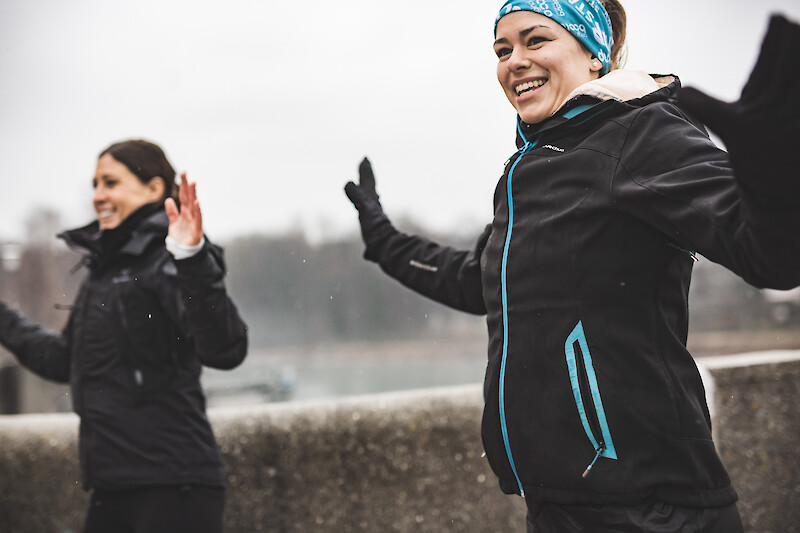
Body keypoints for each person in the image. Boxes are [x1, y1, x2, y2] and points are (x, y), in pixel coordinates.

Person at [344, 1, 800, 531]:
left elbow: (769, 254)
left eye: (536, 41)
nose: (514, 60)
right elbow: (476, 280)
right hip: (556, 505)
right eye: (502, 49)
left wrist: (776, 174)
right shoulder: (529, 172)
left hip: (650, 508)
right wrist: (382, 238)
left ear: (594, 54)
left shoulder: (642, 134)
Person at [0, 140, 248, 533]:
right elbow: (63, 360)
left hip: (173, 488)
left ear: (153, 189)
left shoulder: (167, 257)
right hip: (113, 486)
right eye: (95, 184)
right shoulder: (107, 269)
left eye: (111, 182)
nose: (98, 196)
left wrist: (192, 258)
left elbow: (225, 348)